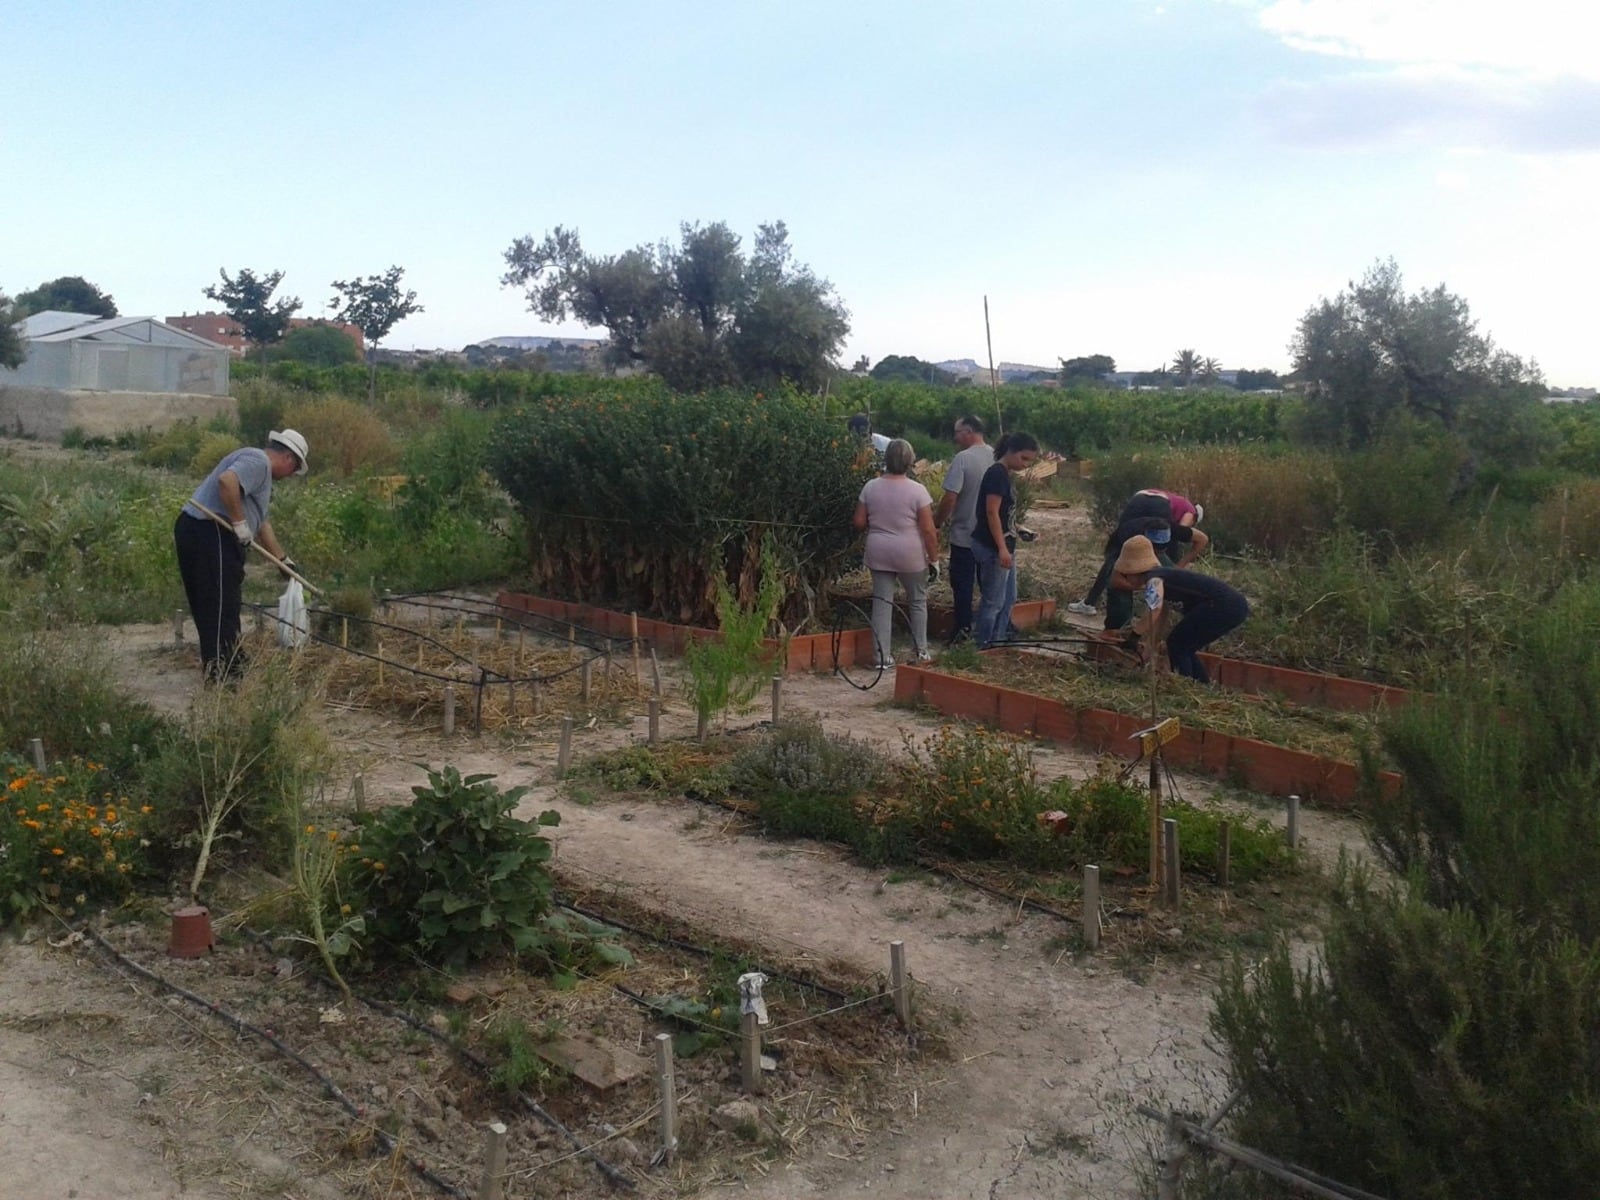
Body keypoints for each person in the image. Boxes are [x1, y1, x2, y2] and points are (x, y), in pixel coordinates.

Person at [174, 429, 308, 681]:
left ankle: (230, 660)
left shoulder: (260, 472)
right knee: (219, 603)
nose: (290, 477)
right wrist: (238, 523)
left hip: (202, 531)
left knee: (222, 601)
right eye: (294, 471)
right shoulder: (258, 461)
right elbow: (227, 481)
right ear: (289, 458)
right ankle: (223, 671)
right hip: (210, 531)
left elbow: (262, 523)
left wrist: (282, 560)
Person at [1110, 534, 1248, 683]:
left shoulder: (1154, 578)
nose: (1126, 581)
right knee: (1184, 646)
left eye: (1125, 575)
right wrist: (1147, 652)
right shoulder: (1162, 577)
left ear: (1133, 572)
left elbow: (1154, 609)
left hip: (1223, 605)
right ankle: (1201, 686)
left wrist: (1134, 636)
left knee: (1177, 644)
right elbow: (1158, 619)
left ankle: (1185, 684)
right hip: (1234, 606)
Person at [853, 438, 940, 669]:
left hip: (878, 549)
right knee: (917, 600)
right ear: (911, 461)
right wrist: (934, 558)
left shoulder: (870, 487)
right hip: (909, 552)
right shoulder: (918, 491)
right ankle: (920, 651)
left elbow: (859, 522)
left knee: (882, 602)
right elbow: (929, 530)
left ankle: (882, 656)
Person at [1068, 488, 1209, 627]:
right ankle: (1168, 601)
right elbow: (1184, 532)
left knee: (1117, 558)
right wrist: (1177, 567)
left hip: (1139, 500)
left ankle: (1090, 604)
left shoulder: (1146, 527)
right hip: (1157, 507)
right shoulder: (1190, 513)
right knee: (1154, 567)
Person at [971, 432, 1040, 649]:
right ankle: (982, 645)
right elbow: (991, 512)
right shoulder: (997, 474)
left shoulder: (1005, 474)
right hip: (992, 546)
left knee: (1009, 598)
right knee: (993, 602)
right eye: (1024, 458)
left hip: (1005, 544)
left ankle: (997, 641)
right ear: (1011, 451)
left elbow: (1002, 514)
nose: (1025, 465)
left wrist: (1018, 529)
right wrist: (1001, 548)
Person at [932, 414, 991, 643]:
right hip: (989, 536)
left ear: (968, 431)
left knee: (963, 586)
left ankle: (962, 631)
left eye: (957, 433)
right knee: (988, 588)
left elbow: (949, 498)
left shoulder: (963, 459)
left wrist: (937, 523)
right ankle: (988, 633)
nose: (955, 438)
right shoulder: (996, 456)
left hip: (965, 535)